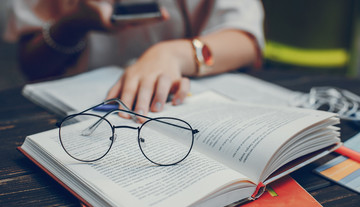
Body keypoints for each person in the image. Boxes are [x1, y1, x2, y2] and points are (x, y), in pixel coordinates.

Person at [4, 0, 264, 117]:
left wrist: (172, 54)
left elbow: (246, 40)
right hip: (77, 111)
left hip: (181, 104)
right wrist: (73, 23)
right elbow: (31, 65)